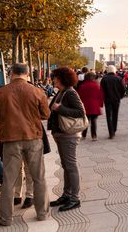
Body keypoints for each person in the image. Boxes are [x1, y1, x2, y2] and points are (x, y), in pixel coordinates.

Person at [0, 63, 51, 227]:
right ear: (28, 74)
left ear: (11, 73)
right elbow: (46, 115)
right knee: (39, 177)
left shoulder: (1, 92)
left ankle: (6, 218)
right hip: (33, 138)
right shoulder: (37, 91)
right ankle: (42, 213)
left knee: (9, 180)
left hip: (11, 139)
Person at [47, 66, 85, 212]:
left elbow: (80, 112)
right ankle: (67, 194)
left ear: (62, 78)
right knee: (66, 166)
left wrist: (60, 109)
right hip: (62, 134)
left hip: (69, 135)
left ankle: (75, 198)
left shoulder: (70, 93)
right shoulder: (62, 92)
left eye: (55, 77)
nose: (53, 79)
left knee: (71, 166)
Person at [100, 66, 125, 138]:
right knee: (115, 115)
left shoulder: (104, 79)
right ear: (114, 71)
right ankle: (114, 129)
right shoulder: (119, 79)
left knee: (109, 116)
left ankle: (111, 132)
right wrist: (120, 96)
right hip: (116, 100)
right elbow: (123, 90)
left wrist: (102, 98)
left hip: (107, 100)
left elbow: (101, 90)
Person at [76, 72, 103, 141]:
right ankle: (94, 136)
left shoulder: (82, 86)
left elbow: (79, 96)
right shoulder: (96, 85)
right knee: (94, 121)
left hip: (85, 105)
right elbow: (100, 95)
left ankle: (84, 135)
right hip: (95, 106)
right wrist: (100, 105)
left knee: (86, 121)